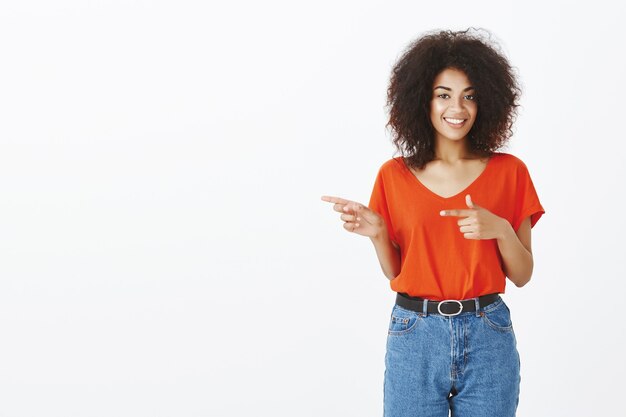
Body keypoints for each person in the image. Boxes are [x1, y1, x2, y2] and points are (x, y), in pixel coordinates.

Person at [321, 28, 545, 417]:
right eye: (444, 95)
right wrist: (377, 235)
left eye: (469, 96)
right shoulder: (393, 175)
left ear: (487, 102)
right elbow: (397, 273)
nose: (457, 108)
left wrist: (501, 230)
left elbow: (523, 275)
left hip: (488, 333)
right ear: (421, 100)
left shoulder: (510, 172)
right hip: (414, 333)